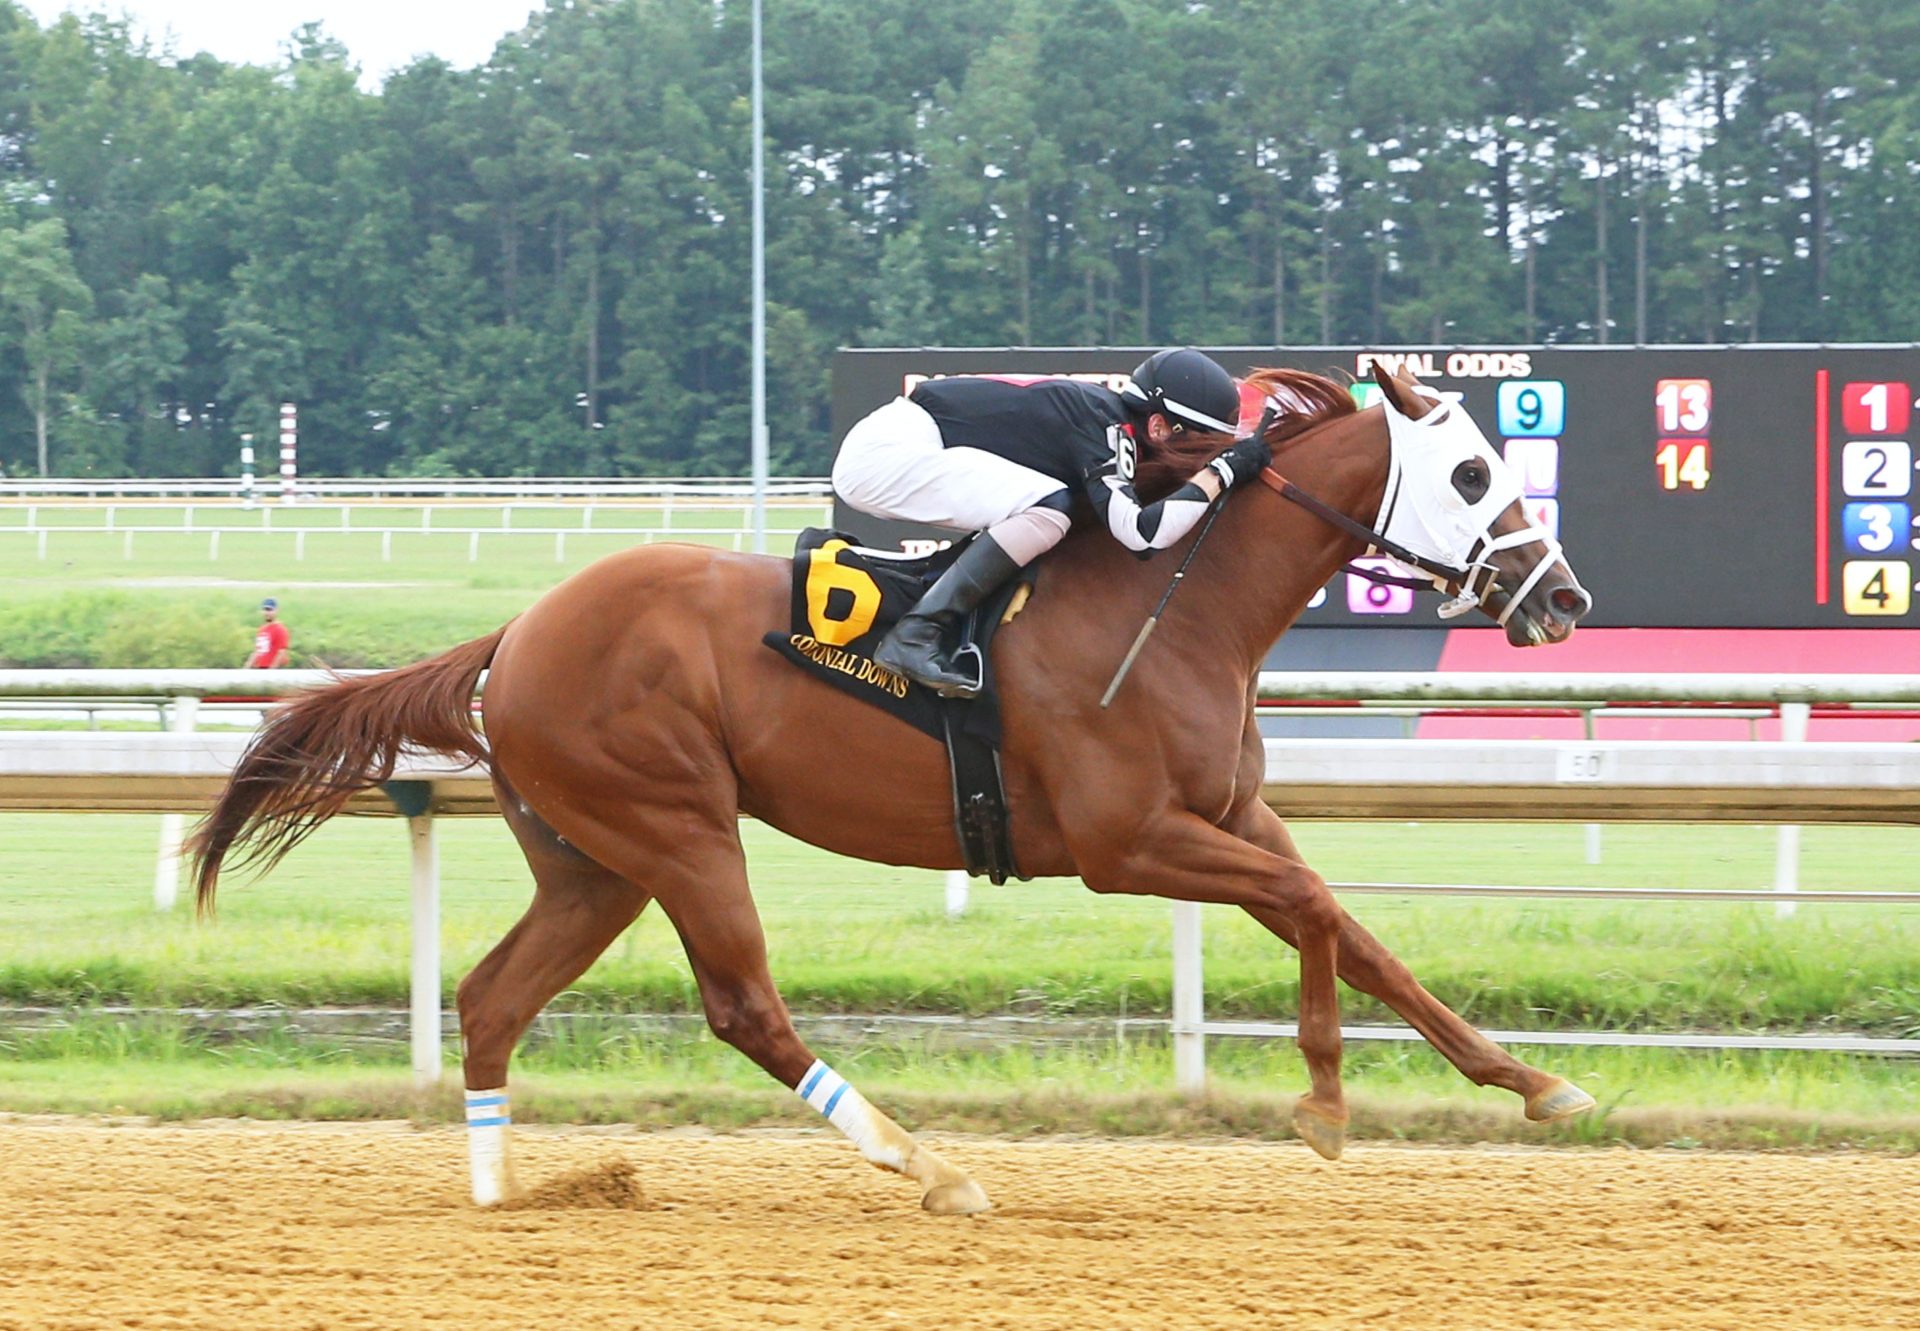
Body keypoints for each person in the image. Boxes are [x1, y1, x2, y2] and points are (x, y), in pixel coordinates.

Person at [832, 347, 1268, 697]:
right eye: (1200, 445)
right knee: (1048, 507)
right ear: (1158, 427)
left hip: (905, 441)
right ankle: (916, 634)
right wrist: (1221, 472)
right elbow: (1141, 535)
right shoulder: (1106, 426)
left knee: (1046, 513)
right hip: (888, 453)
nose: (1201, 458)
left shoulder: (1106, 420)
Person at [246, 597, 291, 668]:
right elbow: (257, 651)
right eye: (265, 610)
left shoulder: (280, 629)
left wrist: (271, 670)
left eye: (270, 610)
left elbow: (281, 652)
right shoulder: (262, 629)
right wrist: (246, 667)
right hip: (261, 667)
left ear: (276, 611)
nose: (267, 613)